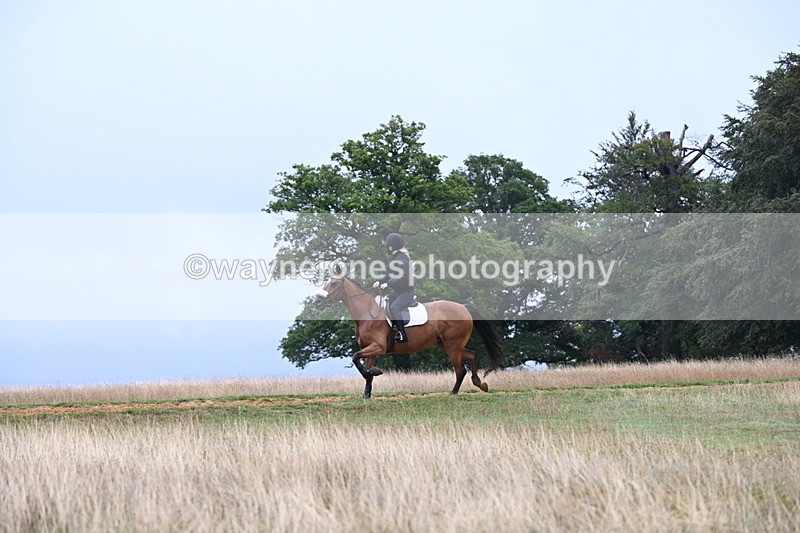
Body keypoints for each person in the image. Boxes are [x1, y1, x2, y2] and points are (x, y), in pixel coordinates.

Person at [372, 233, 414, 342]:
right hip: (397, 293)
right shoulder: (394, 258)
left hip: (406, 292)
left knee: (394, 308)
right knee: (384, 304)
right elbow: (388, 275)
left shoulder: (402, 258)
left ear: (393, 245)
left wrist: (389, 284)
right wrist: (379, 281)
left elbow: (403, 277)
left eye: (389, 245)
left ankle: (402, 334)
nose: (388, 247)